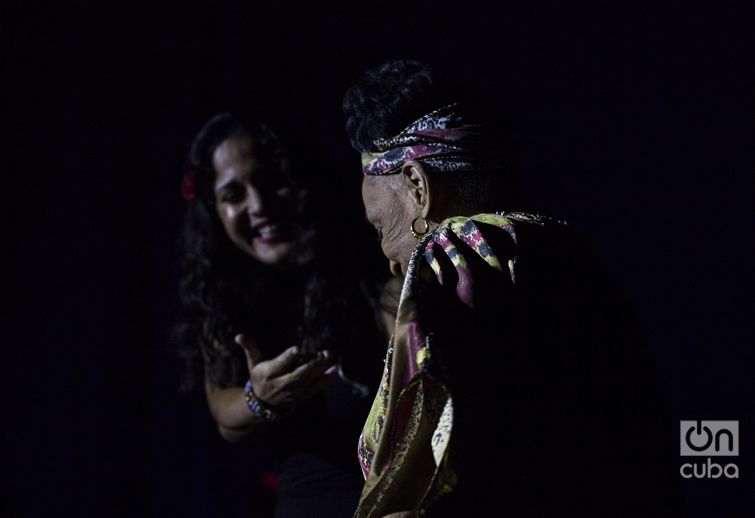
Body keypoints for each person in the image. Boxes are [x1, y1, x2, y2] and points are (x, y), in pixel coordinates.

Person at [343, 60, 678, 517]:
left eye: (381, 226)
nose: (387, 256)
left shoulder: (452, 258)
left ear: (417, 187)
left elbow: (415, 477)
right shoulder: (561, 248)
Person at [174, 113, 393, 517]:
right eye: (233, 195)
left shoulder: (373, 271)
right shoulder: (224, 299)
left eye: (271, 180)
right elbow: (224, 414)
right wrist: (260, 398)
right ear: (214, 212)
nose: (259, 205)